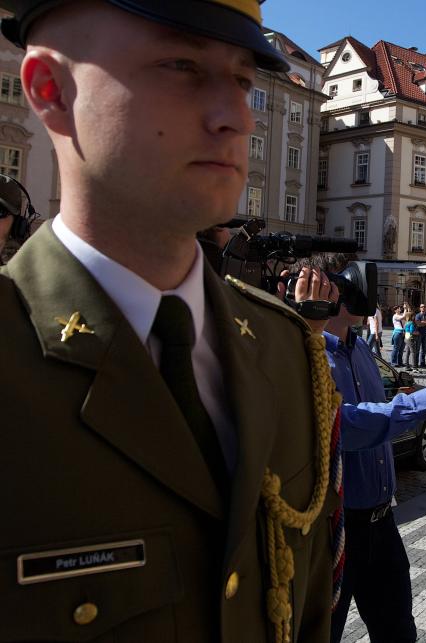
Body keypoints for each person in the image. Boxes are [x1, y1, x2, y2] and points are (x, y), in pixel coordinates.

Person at [0, 1, 335, 640]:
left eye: (242, 79)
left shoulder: (285, 349)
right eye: (181, 65)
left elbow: (308, 602)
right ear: (51, 91)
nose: (237, 117)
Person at [295, 264, 426, 643]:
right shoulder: (306, 356)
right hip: (335, 533)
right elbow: (340, 426)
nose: (367, 290)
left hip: (383, 525)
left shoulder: (361, 348)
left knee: (397, 632)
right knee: (321, 634)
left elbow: (382, 410)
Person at [414, 303, 426, 367]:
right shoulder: (418, 315)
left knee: (424, 349)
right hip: (418, 334)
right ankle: (415, 363)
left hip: (425, 334)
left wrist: (423, 323)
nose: (423, 308)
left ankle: (422, 362)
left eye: (424, 307)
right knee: (417, 349)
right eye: (422, 307)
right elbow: (418, 323)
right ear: (420, 308)